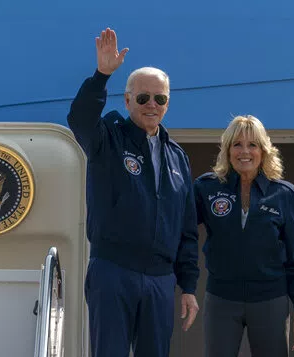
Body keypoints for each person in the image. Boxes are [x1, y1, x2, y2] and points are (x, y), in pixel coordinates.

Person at [67, 27, 200, 357]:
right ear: (127, 100)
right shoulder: (108, 138)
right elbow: (80, 119)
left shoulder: (178, 158)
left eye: (160, 98)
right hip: (113, 270)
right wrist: (101, 76)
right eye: (143, 98)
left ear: (168, 103)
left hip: (159, 279)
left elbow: (186, 230)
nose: (151, 105)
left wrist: (189, 286)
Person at [194, 115, 294, 357]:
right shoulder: (206, 188)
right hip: (221, 298)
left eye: (252, 145)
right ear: (227, 150)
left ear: (264, 150)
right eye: (237, 144)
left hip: (270, 299)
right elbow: (181, 233)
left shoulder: (285, 194)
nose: (244, 152)